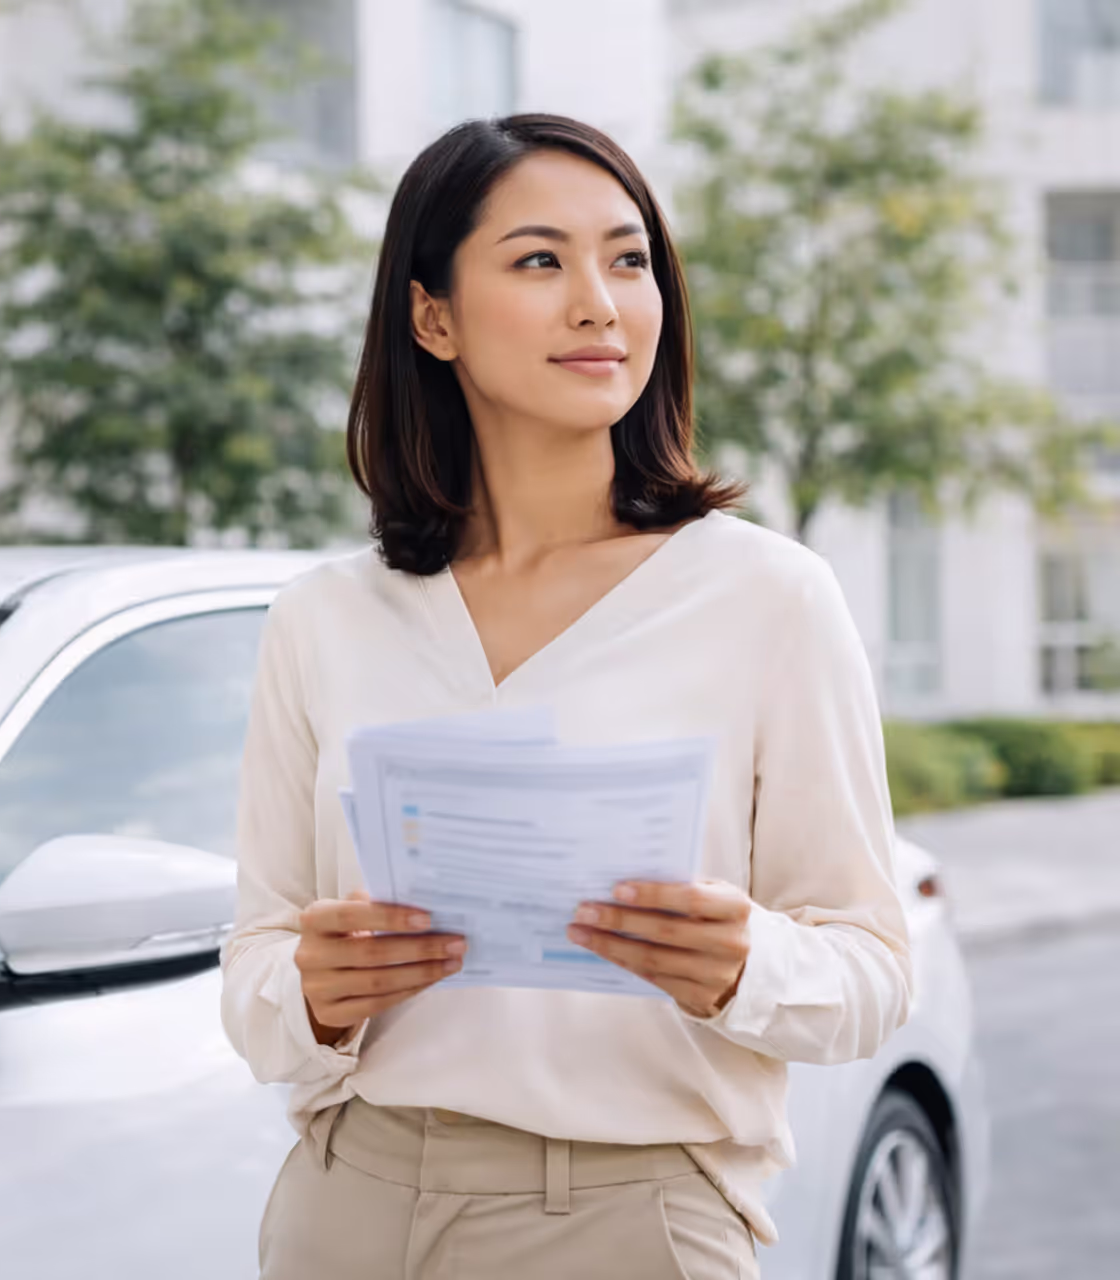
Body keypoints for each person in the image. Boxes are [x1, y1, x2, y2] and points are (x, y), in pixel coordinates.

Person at [220, 113, 911, 1280]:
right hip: (352, 1200)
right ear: (432, 315)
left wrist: (747, 962)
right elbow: (252, 973)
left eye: (628, 259)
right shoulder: (327, 616)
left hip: (631, 1214)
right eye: (541, 260)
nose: (600, 301)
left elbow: (874, 971)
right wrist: (312, 993)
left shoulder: (767, 596)